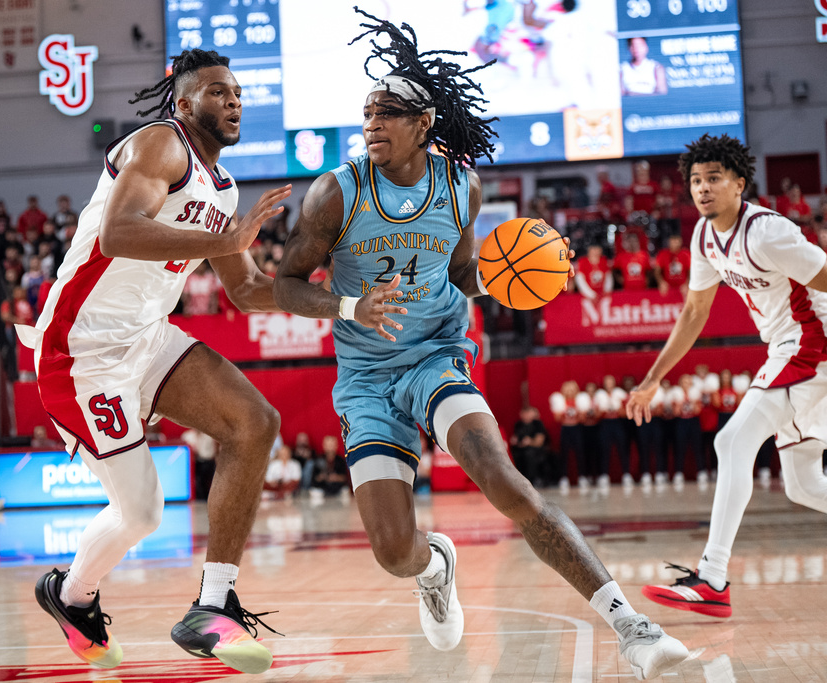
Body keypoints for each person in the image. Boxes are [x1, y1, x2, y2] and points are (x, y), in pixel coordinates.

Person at [271, 10, 687, 678]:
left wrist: (520, 280)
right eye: (368, 111)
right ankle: (434, 566)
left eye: (390, 112)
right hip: (368, 377)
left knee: (505, 479)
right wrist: (350, 303)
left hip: (437, 353)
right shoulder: (334, 193)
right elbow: (287, 285)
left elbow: (466, 274)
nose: (372, 122)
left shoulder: (460, 186)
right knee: (391, 550)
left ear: (424, 123)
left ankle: (633, 625)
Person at [17, 48, 292, 673]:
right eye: (218, 91)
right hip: (80, 349)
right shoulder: (161, 144)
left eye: (238, 93)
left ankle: (212, 607)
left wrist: (348, 304)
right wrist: (224, 240)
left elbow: (246, 290)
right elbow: (120, 233)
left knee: (256, 422)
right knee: (142, 511)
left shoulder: (223, 190)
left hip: (145, 337)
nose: (233, 101)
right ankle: (70, 596)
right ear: (184, 100)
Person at [626, 134, 827, 619]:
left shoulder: (767, 233)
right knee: (802, 485)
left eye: (714, 178)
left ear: (740, 183)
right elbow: (695, 311)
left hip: (811, 344)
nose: (703, 188)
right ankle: (712, 580)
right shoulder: (703, 237)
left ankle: (712, 577)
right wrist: (653, 379)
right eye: (696, 180)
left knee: (732, 442)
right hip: (789, 349)